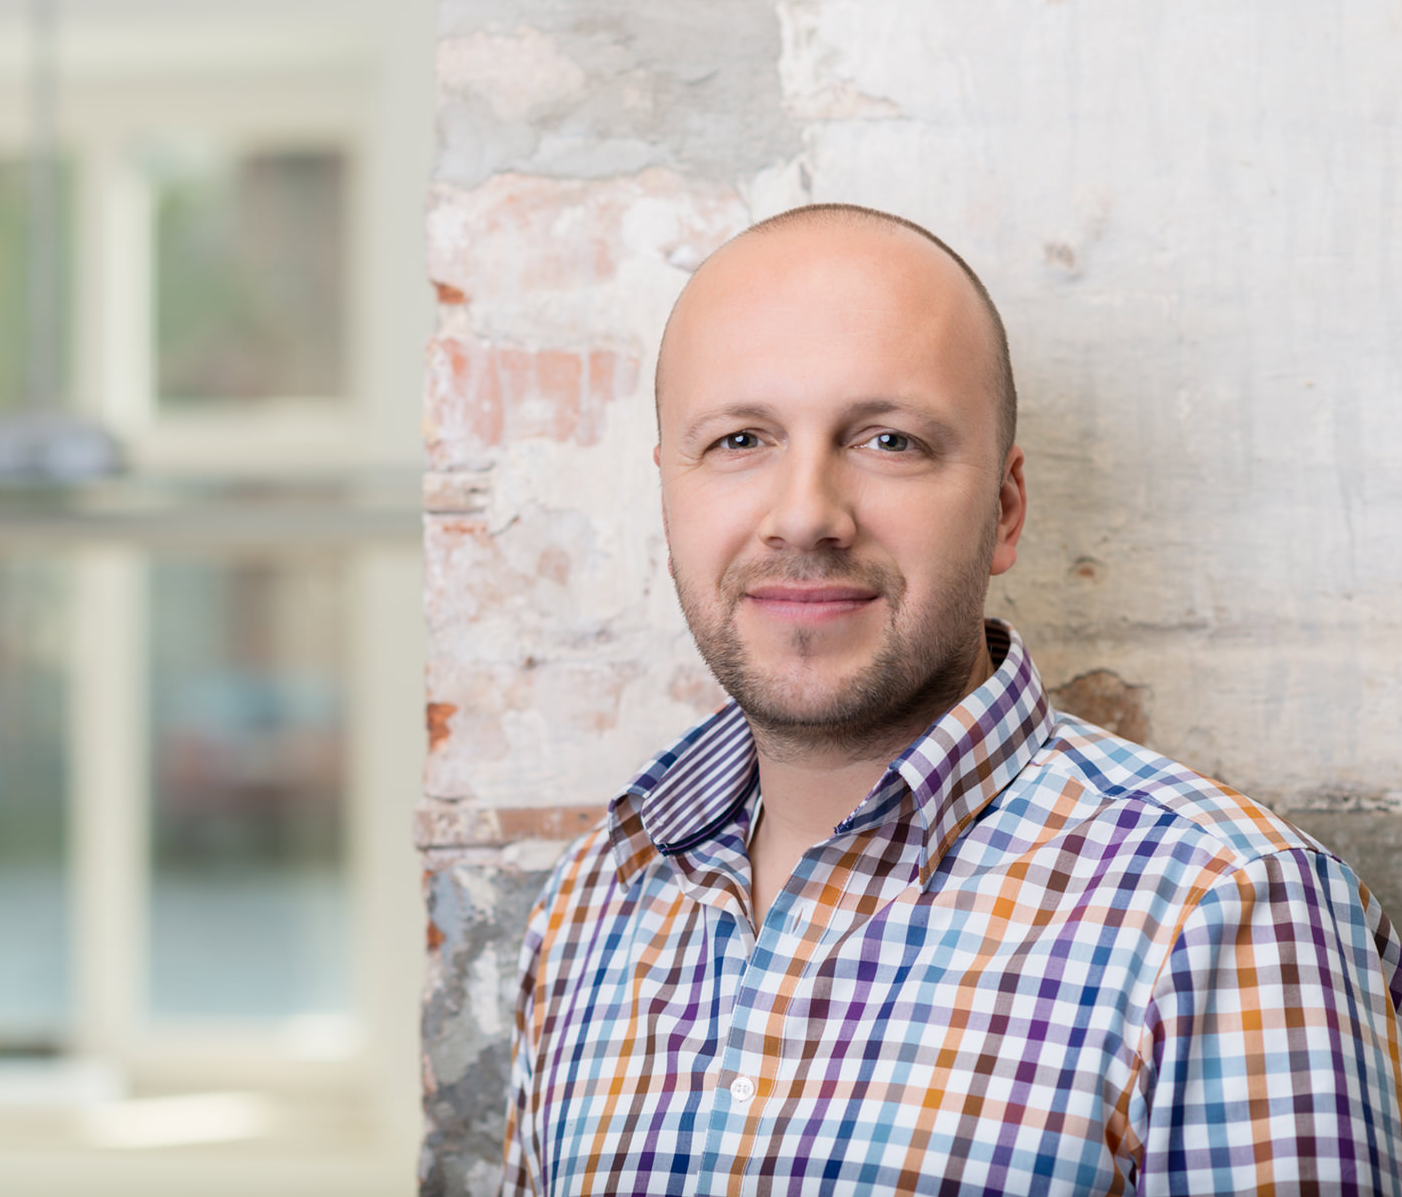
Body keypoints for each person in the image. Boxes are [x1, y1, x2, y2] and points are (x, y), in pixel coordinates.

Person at [499, 203, 1402, 1195]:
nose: (805, 513)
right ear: (670, 488)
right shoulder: (591, 905)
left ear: (1006, 510)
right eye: (740, 439)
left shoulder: (1231, 913)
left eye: (889, 440)